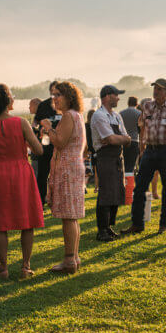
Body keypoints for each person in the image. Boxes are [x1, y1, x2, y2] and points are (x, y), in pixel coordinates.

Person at [0, 84, 44, 280]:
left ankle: (3, 268)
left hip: (0, 172)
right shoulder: (22, 123)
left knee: (1, 223)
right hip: (22, 171)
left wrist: (0, 159)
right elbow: (39, 151)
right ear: (8, 101)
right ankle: (25, 266)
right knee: (27, 221)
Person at [122, 78, 166, 235]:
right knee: (139, 187)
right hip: (149, 151)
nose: (156, 91)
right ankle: (137, 224)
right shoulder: (147, 106)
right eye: (155, 88)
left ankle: (164, 225)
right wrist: (141, 148)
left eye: (160, 89)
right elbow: (142, 126)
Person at [42, 81, 86, 273]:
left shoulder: (69, 116)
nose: (55, 99)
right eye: (53, 95)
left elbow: (59, 142)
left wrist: (48, 128)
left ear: (69, 97)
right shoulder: (77, 116)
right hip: (73, 167)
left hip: (68, 169)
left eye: (58, 94)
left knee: (68, 216)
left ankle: (69, 260)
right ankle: (74, 257)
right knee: (72, 216)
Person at [90, 85, 131, 242]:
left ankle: (108, 226)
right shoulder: (99, 116)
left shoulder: (116, 116)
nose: (118, 98)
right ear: (107, 97)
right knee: (106, 193)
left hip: (116, 157)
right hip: (105, 157)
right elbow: (113, 139)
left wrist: (118, 138)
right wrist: (120, 138)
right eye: (116, 95)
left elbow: (124, 138)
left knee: (116, 192)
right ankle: (102, 230)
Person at [34, 82, 60, 205]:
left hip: (60, 145)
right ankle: (41, 200)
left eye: (58, 92)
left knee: (58, 175)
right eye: (54, 92)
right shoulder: (44, 105)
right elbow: (36, 123)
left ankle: (56, 200)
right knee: (43, 174)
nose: (56, 95)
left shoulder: (64, 107)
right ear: (50, 91)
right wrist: (39, 129)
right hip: (46, 144)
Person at [119, 96, 140, 173]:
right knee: (131, 165)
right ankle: (130, 184)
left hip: (123, 141)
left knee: (123, 164)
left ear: (128, 103)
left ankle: (124, 182)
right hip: (135, 141)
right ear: (137, 104)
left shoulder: (121, 113)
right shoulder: (139, 114)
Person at [28, 97, 42, 195]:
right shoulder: (39, 117)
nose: (29, 107)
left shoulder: (38, 118)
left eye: (31, 105)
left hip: (37, 152)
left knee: (36, 175)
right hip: (37, 152)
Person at [85, 109, 98, 192]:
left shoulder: (85, 125)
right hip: (96, 149)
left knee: (87, 170)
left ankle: (84, 187)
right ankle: (97, 187)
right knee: (97, 170)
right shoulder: (96, 125)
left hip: (87, 149)